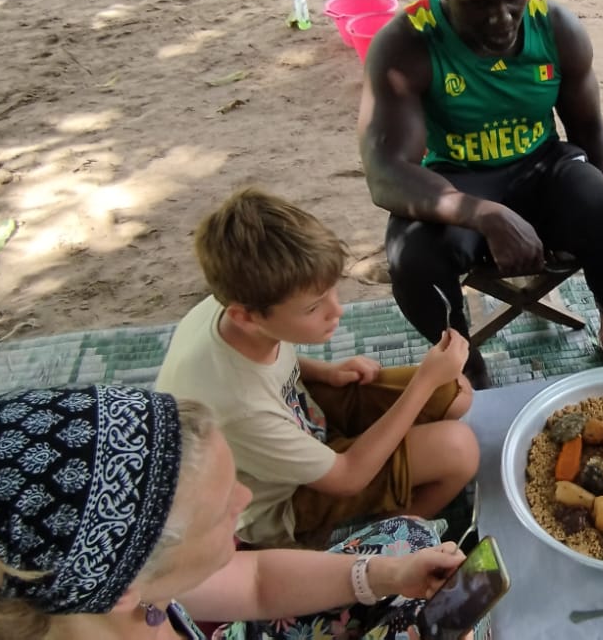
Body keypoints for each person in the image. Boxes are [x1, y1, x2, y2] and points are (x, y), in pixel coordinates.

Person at [0, 385, 470, 640]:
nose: (246, 504)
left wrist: (380, 578)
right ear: (127, 585)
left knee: (402, 542)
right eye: (218, 514)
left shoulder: (91, 593)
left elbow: (254, 582)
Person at [358, 0, 603, 385]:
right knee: (412, 258)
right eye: (478, 4)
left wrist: (589, 217)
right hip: (457, 179)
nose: (501, 18)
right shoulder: (407, 44)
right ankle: (465, 364)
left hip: (543, 167)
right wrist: (485, 215)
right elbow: (385, 172)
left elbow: (589, 129)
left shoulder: (556, 28)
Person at [156, 189, 478, 550]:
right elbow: (346, 478)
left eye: (332, 292)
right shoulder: (240, 406)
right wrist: (423, 381)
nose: (337, 311)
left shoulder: (228, 306)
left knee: (455, 393)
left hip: (306, 421)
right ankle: (380, 541)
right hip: (280, 502)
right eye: (313, 308)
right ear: (244, 316)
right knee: (460, 449)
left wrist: (324, 372)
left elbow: (267, 357)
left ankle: (394, 485)